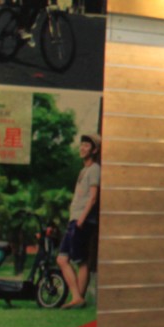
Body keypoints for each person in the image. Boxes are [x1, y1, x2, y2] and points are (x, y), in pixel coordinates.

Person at [57, 132, 100, 309]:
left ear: (94, 150)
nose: (82, 148)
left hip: (82, 220)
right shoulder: (84, 170)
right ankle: (78, 298)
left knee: (78, 260)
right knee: (64, 259)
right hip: (76, 219)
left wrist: (81, 219)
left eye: (87, 145)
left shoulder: (95, 169)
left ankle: (77, 297)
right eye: (82, 144)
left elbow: (93, 197)